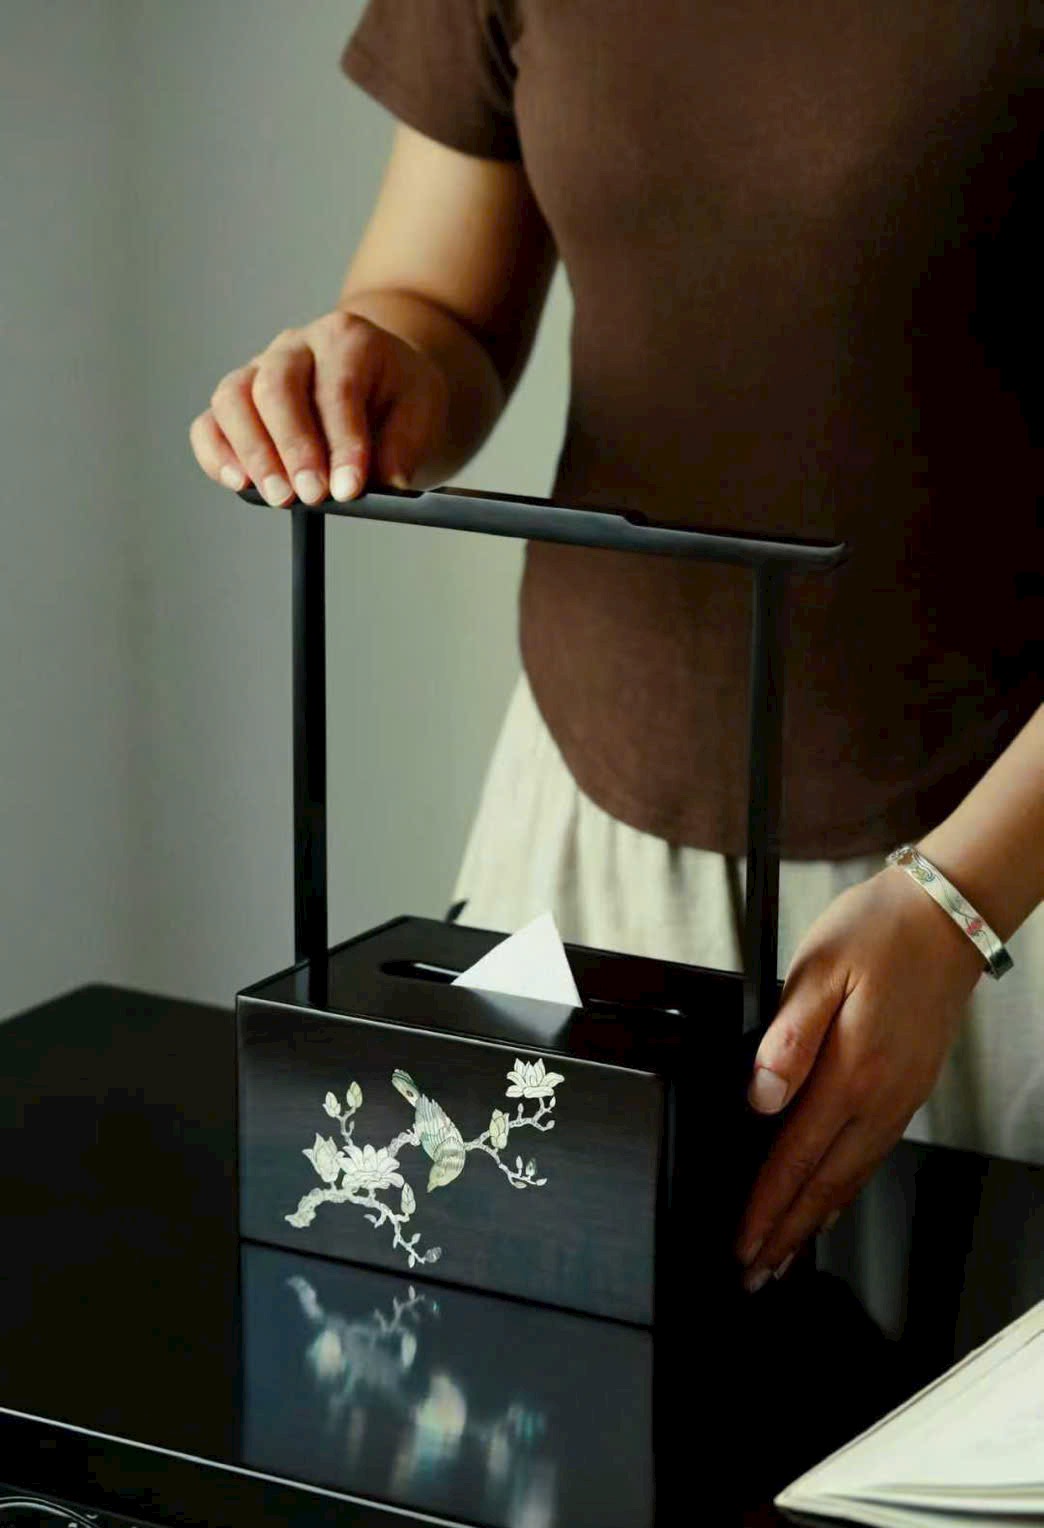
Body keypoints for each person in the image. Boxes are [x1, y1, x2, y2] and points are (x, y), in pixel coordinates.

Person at [190, 3, 1043, 1294]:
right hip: (590, 840)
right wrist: (369, 374)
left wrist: (958, 908)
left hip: (1003, 880)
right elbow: (440, 303)